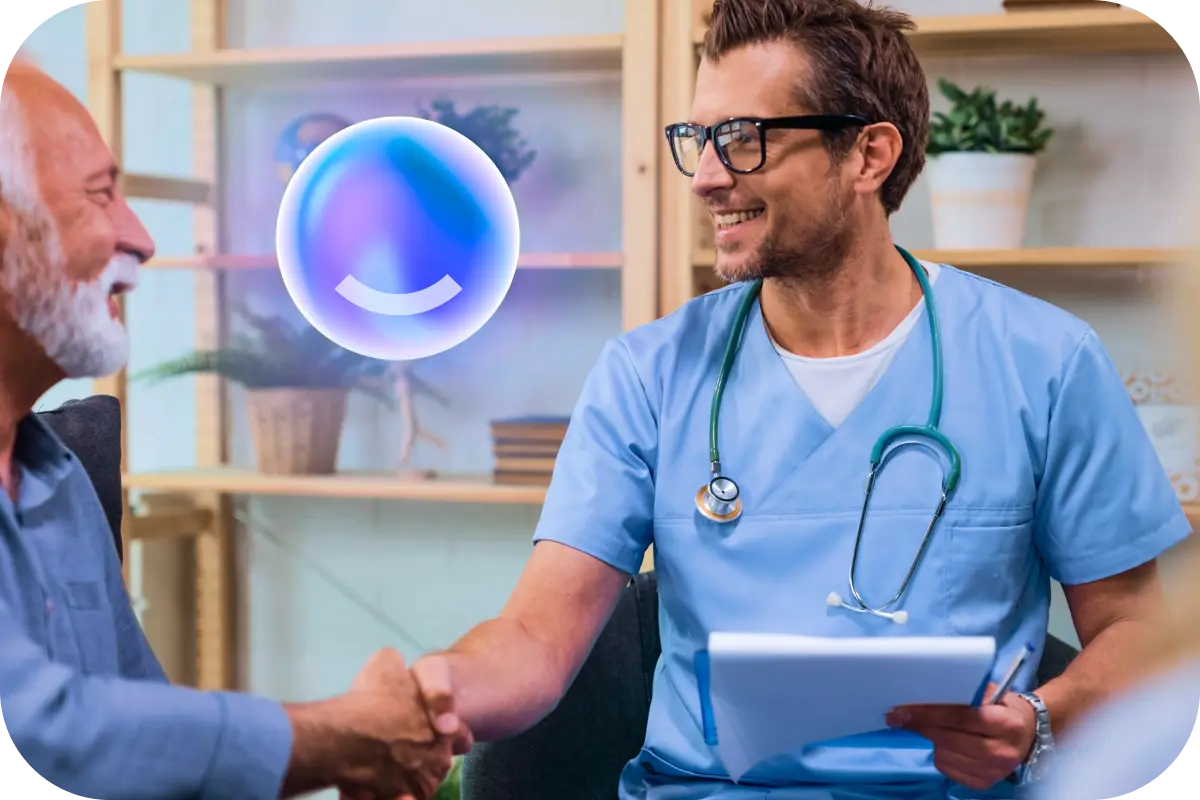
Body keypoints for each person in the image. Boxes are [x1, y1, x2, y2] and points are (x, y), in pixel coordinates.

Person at [402, 1, 1193, 798]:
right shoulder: (648, 375)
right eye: (699, 139)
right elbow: (535, 638)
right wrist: (437, 692)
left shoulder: (1045, 363)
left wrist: (1039, 719)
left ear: (869, 155)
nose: (708, 177)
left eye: (744, 139)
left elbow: (1132, 630)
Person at [0, 58, 467, 800]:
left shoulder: (60, 476)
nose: (141, 237)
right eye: (100, 195)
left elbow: (145, 738)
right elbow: (40, 731)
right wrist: (343, 738)